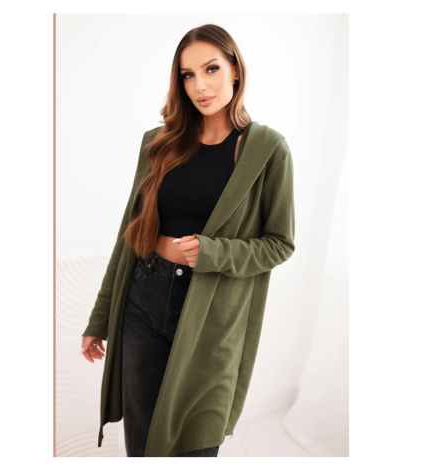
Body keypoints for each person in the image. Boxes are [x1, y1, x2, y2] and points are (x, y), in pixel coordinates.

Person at [79, 24, 295, 457]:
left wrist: (215, 253)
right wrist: (99, 319)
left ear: (235, 70)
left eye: (211, 69)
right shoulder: (158, 143)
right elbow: (128, 236)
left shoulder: (268, 149)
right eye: (187, 75)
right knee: (143, 445)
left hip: (212, 314)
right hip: (143, 297)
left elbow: (280, 243)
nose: (200, 86)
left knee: (197, 442)